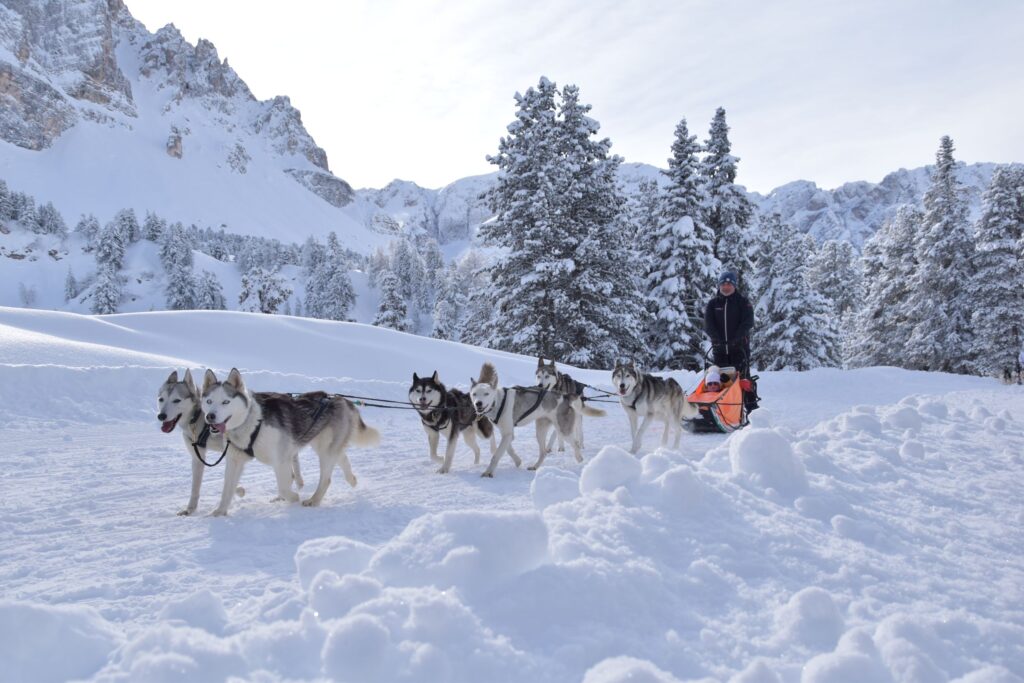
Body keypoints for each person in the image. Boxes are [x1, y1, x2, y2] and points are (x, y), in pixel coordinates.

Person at [704, 270, 754, 378]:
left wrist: (737, 338)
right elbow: (708, 324)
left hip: (739, 350)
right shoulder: (713, 304)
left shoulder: (743, 302)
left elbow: (748, 322)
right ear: (719, 286)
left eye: (729, 284)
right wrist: (716, 338)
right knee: (720, 380)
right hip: (719, 350)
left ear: (734, 286)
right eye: (723, 284)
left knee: (742, 379)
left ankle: (746, 395)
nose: (726, 287)